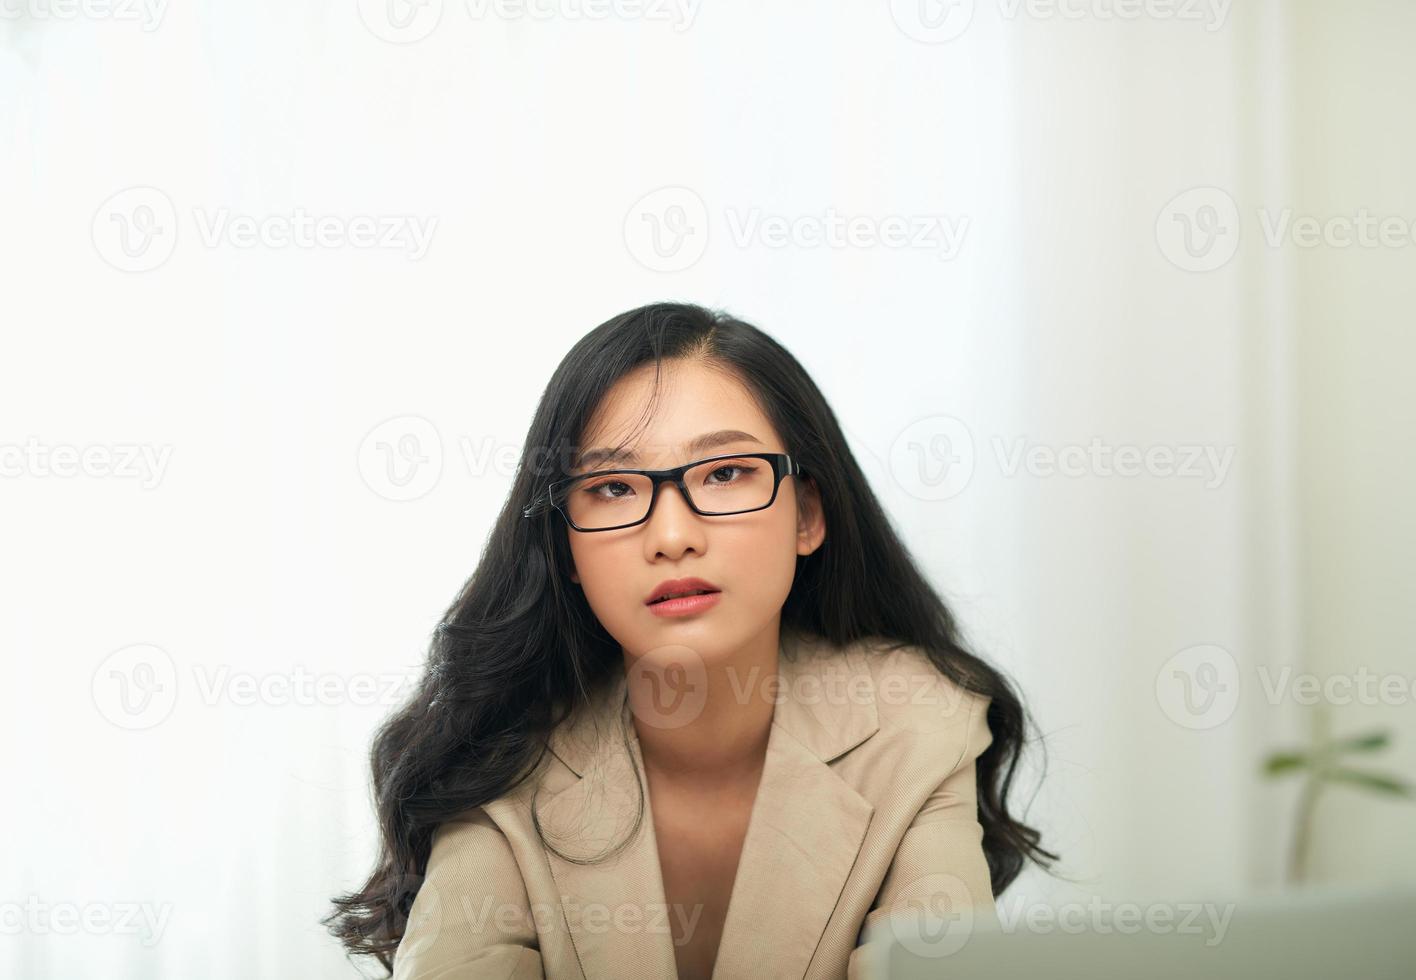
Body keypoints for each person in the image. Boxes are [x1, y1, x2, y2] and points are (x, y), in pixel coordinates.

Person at [324, 302, 1056, 979]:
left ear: (806, 514)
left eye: (727, 473)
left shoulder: (916, 722)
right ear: (565, 549)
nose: (672, 536)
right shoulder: (503, 747)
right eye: (612, 488)